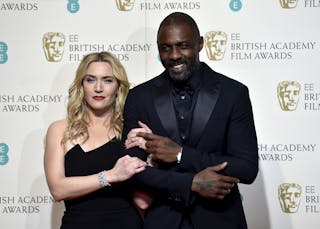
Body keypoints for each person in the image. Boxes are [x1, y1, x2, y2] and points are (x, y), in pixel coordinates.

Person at [123, 12, 259, 229]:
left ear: (200, 44)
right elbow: (132, 171)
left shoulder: (233, 93)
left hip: (221, 220)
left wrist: (180, 155)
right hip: (162, 220)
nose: (174, 55)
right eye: (165, 48)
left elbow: (246, 168)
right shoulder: (140, 97)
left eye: (183, 45)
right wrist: (191, 184)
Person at [44, 51, 147, 229]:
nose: (98, 88)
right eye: (90, 79)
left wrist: (152, 157)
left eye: (107, 80)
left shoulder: (129, 131)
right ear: (81, 85)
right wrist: (110, 176)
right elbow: (57, 189)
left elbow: (143, 203)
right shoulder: (59, 130)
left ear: (118, 87)